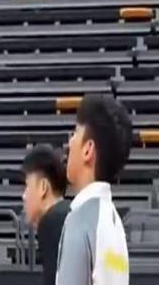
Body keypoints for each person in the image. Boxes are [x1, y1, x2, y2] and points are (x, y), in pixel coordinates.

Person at [56, 93, 132, 285]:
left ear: (88, 150)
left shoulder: (79, 221)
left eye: (75, 133)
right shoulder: (115, 223)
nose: (69, 143)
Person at [22, 144, 69, 285]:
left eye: (27, 185)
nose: (24, 196)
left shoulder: (52, 222)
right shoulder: (70, 213)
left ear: (43, 187)